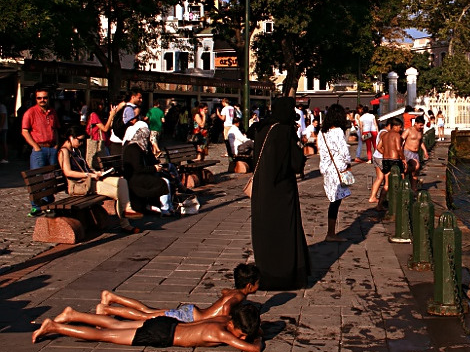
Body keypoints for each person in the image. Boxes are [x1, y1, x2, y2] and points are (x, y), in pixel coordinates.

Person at [32, 303, 263, 352]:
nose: (241, 337)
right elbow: (253, 349)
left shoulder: (224, 320)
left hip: (170, 324)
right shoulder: (221, 332)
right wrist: (258, 338)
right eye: (241, 333)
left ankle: (73, 315)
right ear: (232, 325)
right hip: (163, 333)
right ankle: (56, 327)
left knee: (115, 324)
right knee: (107, 335)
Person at [251, 97, 310, 290]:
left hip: (262, 189)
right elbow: (295, 162)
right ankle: (285, 275)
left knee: (266, 232)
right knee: (284, 231)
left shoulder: (263, 129)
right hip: (282, 191)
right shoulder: (285, 131)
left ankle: (266, 273)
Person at [97, 264, 259, 322]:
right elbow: (226, 308)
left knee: (148, 311)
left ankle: (112, 297)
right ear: (250, 285)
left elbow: (224, 292)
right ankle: (107, 308)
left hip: (192, 312)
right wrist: (225, 321)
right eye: (258, 283)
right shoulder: (239, 296)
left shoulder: (233, 292)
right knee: (146, 316)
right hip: (192, 318)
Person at [58, 125, 139, 234]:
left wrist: (95, 173)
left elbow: (84, 168)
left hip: (89, 180)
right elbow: (67, 172)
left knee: (122, 182)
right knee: (118, 192)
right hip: (80, 185)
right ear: (71, 137)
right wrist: (89, 175)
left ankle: (128, 209)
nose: (81, 143)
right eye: (80, 140)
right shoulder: (64, 152)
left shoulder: (75, 151)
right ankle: (126, 224)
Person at [122, 121, 174, 216]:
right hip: (135, 178)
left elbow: (150, 160)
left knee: (166, 176)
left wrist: (157, 166)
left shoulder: (142, 147)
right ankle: (165, 208)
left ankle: (168, 206)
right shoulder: (133, 148)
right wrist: (154, 168)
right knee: (163, 182)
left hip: (140, 175)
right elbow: (138, 168)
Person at [22, 86, 59, 216]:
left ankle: (48, 203)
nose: (42, 100)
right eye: (39, 98)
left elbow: (55, 129)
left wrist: (56, 145)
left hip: (51, 148)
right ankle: (36, 206)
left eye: (44, 97)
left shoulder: (52, 112)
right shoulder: (30, 112)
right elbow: (25, 131)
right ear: (36, 99)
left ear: (48, 98)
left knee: (50, 177)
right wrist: (35, 146)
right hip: (39, 149)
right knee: (37, 178)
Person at [318, 104, 352, 242]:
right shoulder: (338, 131)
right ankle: (331, 233)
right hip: (337, 168)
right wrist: (348, 164)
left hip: (327, 168)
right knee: (335, 201)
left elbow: (321, 150)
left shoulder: (322, 132)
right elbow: (344, 152)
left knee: (334, 199)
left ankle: (331, 232)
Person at [402, 115, 429, 191]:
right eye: (420, 125)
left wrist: (425, 151)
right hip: (407, 152)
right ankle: (403, 173)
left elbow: (420, 142)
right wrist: (400, 152)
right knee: (416, 166)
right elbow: (401, 140)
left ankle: (414, 188)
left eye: (422, 125)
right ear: (415, 123)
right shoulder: (409, 130)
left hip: (416, 153)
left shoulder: (421, 131)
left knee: (415, 172)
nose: (421, 127)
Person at [85, 99, 114, 169]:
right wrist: (111, 116)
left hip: (102, 142)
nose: (102, 107)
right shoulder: (93, 115)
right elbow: (105, 128)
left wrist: (112, 116)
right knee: (100, 163)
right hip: (97, 142)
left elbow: (107, 126)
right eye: (100, 105)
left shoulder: (97, 115)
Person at [0, 95, 8, 164]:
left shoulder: (2, 107)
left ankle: (5, 157)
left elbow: (3, 116)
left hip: (3, 128)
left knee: (3, 143)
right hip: (3, 127)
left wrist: (1, 127)